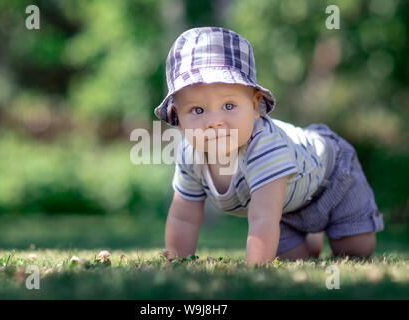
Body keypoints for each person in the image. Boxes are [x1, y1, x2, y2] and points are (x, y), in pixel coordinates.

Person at [154, 27, 384, 266]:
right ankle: (311, 237)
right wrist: (176, 261)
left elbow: (263, 216)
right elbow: (184, 217)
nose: (214, 121)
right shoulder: (190, 155)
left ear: (255, 106)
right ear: (178, 119)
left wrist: (254, 269)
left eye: (229, 105)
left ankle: (324, 227)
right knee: (292, 259)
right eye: (197, 110)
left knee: (355, 249)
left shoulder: (263, 146)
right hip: (283, 208)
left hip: (331, 175)